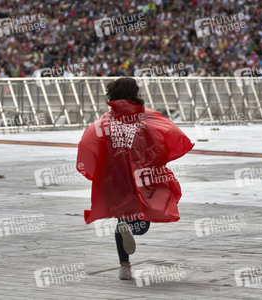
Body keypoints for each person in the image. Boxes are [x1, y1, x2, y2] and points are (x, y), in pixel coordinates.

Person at [76, 77, 194, 280]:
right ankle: (130, 228)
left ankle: (124, 267)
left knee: (122, 217)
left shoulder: (105, 121)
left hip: (115, 179)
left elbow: (88, 143)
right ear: (134, 94)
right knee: (143, 218)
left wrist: (96, 170)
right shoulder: (145, 118)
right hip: (140, 176)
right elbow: (166, 136)